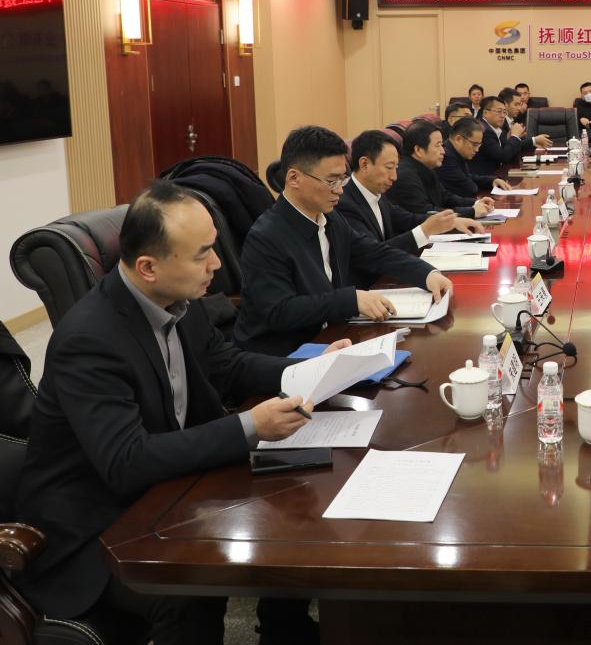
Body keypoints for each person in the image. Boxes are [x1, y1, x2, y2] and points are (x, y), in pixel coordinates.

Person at [15, 179, 336, 645]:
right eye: (203, 253)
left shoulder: (177, 300)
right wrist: (250, 425)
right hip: (94, 526)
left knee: (291, 499)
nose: (218, 263)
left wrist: (312, 369)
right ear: (148, 267)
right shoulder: (89, 339)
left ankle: (287, 629)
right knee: (190, 588)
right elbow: (126, 461)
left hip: (167, 487)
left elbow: (227, 366)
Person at [234, 126, 453, 355]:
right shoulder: (266, 237)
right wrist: (351, 299)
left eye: (342, 179)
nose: (339, 190)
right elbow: (279, 311)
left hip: (332, 338)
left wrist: (427, 274)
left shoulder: (330, 218)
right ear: (294, 178)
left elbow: (374, 252)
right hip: (285, 355)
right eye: (331, 181)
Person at [336, 131, 479, 287]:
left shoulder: (376, 192)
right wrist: (425, 230)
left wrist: (449, 221)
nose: (394, 177)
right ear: (364, 164)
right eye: (389, 167)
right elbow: (373, 254)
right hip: (368, 288)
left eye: (396, 168)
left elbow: (407, 219)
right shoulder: (344, 204)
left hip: (388, 278)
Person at [390, 120, 495, 221]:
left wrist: (475, 203)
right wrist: (472, 212)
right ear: (418, 150)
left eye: (441, 145)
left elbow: (445, 197)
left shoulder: (426, 167)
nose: (443, 151)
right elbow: (426, 213)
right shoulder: (405, 176)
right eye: (438, 145)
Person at [473, 96, 550, 175]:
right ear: (485, 113)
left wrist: (513, 138)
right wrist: (515, 136)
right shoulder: (484, 131)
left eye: (504, 112)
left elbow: (505, 149)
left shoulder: (493, 128)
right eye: (499, 111)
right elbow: (503, 157)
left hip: (497, 173)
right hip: (487, 178)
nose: (503, 116)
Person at [440, 116, 510, 198]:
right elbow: (469, 189)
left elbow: (467, 176)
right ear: (458, 139)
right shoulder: (445, 157)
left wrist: (492, 180)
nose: (477, 150)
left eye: (479, 145)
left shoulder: (454, 152)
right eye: (474, 144)